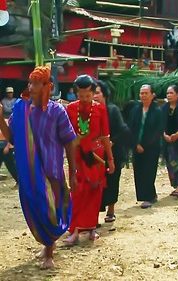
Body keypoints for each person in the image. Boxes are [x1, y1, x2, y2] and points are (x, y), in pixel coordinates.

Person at [0, 66, 77, 269]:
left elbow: (70, 142)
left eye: (35, 83)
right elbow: (12, 137)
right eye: (30, 82)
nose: (30, 87)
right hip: (28, 173)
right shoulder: (21, 109)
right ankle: (47, 245)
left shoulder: (57, 111)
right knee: (35, 209)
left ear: (47, 86)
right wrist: (0, 118)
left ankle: (49, 252)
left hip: (52, 170)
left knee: (50, 210)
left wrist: (73, 172)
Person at [64, 75, 115, 245]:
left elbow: (105, 135)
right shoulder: (70, 109)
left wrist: (110, 159)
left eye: (87, 95)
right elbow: (66, 134)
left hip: (96, 156)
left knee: (95, 191)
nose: (84, 99)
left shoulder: (100, 109)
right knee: (77, 192)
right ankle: (75, 229)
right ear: (76, 93)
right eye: (81, 96)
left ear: (93, 93)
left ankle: (92, 227)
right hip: (78, 156)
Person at [94, 80, 130, 223]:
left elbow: (122, 130)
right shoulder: (90, 110)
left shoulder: (113, 110)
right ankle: (94, 215)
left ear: (104, 94)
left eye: (97, 93)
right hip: (96, 154)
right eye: (93, 93)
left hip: (113, 152)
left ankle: (111, 210)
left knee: (112, 181)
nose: (94, 96)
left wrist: (110, 143)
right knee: (95, 185)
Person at [128, 84, 163, 209]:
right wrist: (135, 144)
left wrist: (145, 145)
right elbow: (130, 128)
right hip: (136, 145)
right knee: (139, 171)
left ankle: (149, 197)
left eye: (146, 93)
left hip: (151, 147)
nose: (143, 95)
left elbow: (158, 131)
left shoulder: (158, 111)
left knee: (148, 171)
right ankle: (145, 195)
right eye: (141, 93)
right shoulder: (135, 110)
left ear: (152, 95)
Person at [0, 118, 18, 186]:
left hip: (6, 148)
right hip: (0, 147)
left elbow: (10, 135)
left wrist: (7, 146)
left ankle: (19, 181)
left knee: (11, 166)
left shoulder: (5, 121)